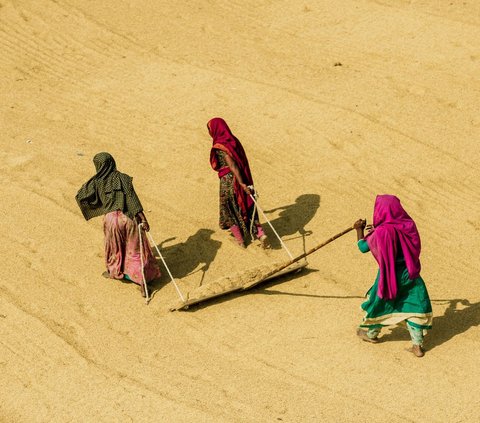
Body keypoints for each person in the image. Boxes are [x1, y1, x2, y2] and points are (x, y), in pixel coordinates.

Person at [353, 195, 432, 357]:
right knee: (414, 305)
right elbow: (398, 235)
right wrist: (376, 231)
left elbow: (362, 247)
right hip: (410, 273)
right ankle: (417, 345)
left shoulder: (381, 233)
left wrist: (359, 230)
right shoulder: (408, 225)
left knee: (381, 303)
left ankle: (371, 334)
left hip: (389, 275)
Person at [76, 152, 160, 297]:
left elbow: (81, 195)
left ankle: (114, 271)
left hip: (111, 220)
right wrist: (143, 219)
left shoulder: (96, 182)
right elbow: (133, 200)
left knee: (114, 249)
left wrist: (99, 206)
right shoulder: (123, 178)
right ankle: (143, 284)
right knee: (135, 251)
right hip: (128, 217)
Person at [208, 117, 267, 248]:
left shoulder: (220, 146)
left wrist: (241, 183)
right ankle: (260, 233)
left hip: (229, 182)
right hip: (242, 178)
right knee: (247, 205)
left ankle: (240, 240)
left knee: (228, 209)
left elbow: (232, 165)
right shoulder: (234, 141)